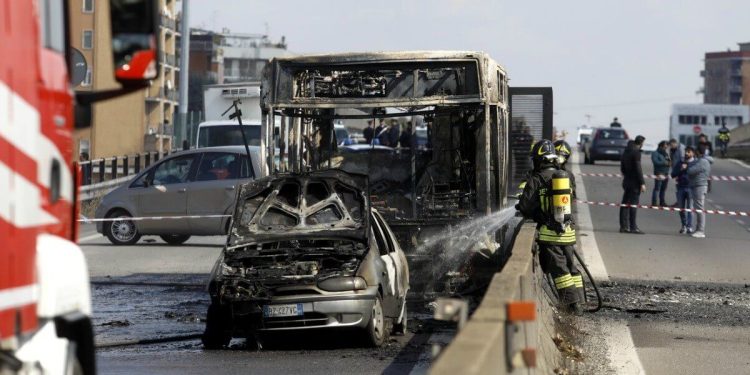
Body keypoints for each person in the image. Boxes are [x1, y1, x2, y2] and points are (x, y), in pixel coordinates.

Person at [516, 140, 584, 314]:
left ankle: (572, 305)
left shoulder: (536, 179)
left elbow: (525, 207)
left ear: (539, 160)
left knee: (559, 270)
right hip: (568, 232)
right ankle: (581, 301)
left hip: (550, 234)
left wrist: (521, 207)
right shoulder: (566, 176)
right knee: (571, 266)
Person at [619, 135, 646, 234]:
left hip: (626, 181)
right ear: (641, 143)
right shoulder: (636, 153)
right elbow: (638, 169)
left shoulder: (626, 151)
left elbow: (622, 168)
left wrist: (626, 175)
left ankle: (623, 226)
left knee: (625, 204)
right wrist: (642, 183)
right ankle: (633, 227)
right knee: (633, 205)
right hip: (634, 182)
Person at [685, 146, 712, 238]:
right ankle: (698, 229)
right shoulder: (702, 161)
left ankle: (701, 230)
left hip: (699, 186)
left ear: (698, 152)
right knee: (698, 208)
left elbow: (690, 171)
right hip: (697, 185)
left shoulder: (702, 162)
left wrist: (689, 165)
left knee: (700, 209)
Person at [671, 146, 693, 234]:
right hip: (680, 187)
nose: (687, 153)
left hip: (691, 188)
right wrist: (681, 169)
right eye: (686, 152)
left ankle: (689, 226)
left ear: (693, 153)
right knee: (681, 208)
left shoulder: (695, 163)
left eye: (689, 152)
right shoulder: (680, 162)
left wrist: (687, 168)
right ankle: (683, 225)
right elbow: (673, 174)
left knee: (690, 208)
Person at [650, 141, 670, 206]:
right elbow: (655, 162)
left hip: (666, 173)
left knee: (663, 189)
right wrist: (664, 163)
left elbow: (669, 160)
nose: (666, 147)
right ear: (661, 146)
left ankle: (662, 202)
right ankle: (654, 202)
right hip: (659, 172)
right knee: (657, 188)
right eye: (665, 146)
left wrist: (670, 163)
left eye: (667, 146)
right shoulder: (655, 153)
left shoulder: (666, 153)